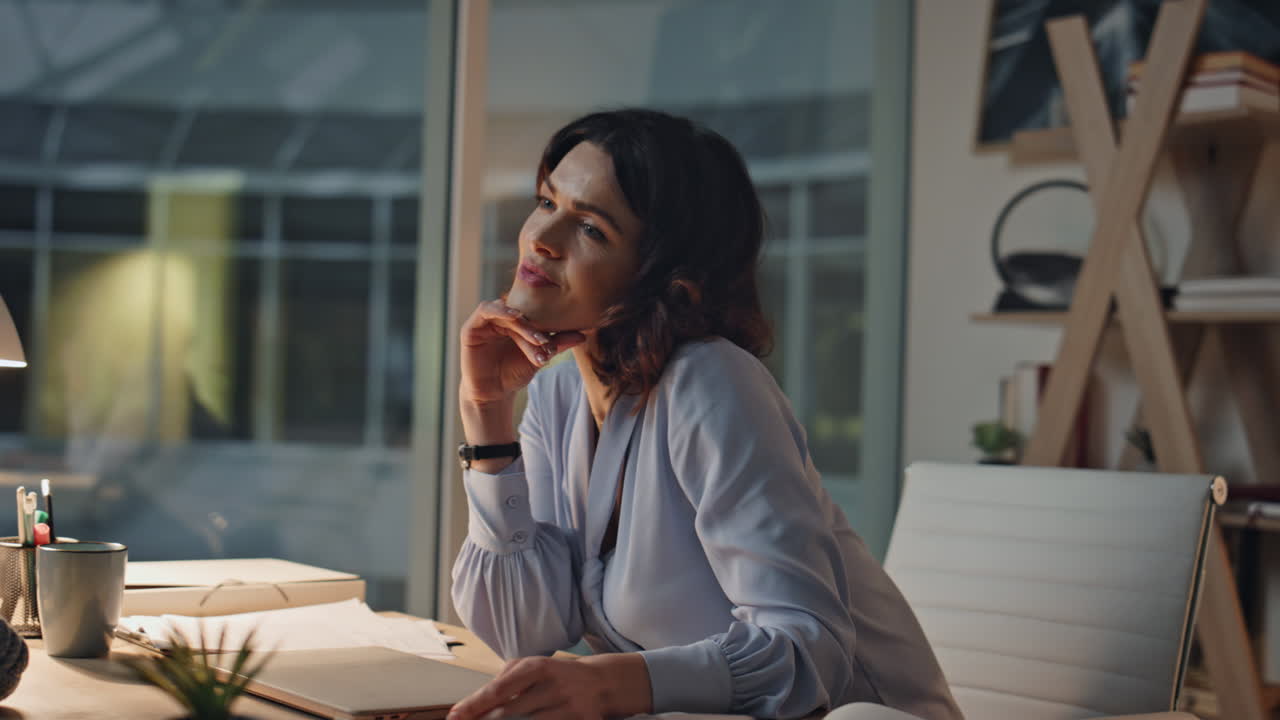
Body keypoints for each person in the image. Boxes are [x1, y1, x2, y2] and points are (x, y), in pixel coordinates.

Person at [447, 109, 961, 720]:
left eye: (590, 228)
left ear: (661, 274)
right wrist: (486, 413)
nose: (542, 238)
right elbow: (523, 630)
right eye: (546, 201)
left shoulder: (711, 381)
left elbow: (807, 653)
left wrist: (607, 687)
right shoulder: (559, 396)